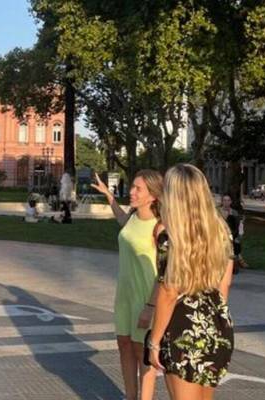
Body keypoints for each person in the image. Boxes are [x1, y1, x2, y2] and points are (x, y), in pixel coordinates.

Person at [147, 164, 235, 399]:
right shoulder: (222, 231)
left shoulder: (170, 235)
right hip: (217, 324)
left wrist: (154, 341)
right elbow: (224, 283)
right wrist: (212, 320)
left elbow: (169, 291)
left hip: (182, 328)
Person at [92, 170, 163, 400]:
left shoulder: (160, 227)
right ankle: (130, 396)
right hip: (124, 293)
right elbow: (122, 222)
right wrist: (109, 196)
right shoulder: (132, 217)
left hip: (145, 297)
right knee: (124, 344)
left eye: (138, 188)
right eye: (132, 186)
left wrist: (150, 307)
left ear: (153, 195)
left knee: (141, 351)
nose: (132, 192)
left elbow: (165, 271)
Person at [220, 194, 246, 271]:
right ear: (222, 201)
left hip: (231, 233)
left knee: (235, 242)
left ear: (230, 202)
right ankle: (240, 259)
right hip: (219, 233)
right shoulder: (217, 211)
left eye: (228, 200)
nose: (226, 202)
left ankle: (235, 261)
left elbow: (238, 225)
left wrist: (238, 235)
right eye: (224, 200)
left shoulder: (234, 212)